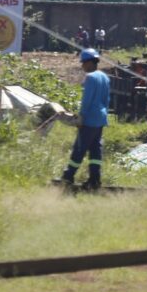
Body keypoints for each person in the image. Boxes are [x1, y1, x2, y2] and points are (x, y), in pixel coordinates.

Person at [59, 49, 110, 190]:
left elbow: (86, 101)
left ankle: (68, 177)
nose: (82, 66)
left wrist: (81, 117)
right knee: (95, 150)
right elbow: (107, 99)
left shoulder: (90, 77)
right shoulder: (104, 77)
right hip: (100, 119)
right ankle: (95, 180)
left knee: (79, 149)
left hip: (89, 119)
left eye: (83, 63)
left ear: (88, 62)